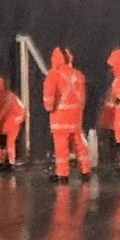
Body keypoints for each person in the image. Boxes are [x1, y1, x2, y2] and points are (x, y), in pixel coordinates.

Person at [43, 47, 90, 182]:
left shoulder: (53, 75)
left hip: (60, 117)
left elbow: (48, 99)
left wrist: (49, 108)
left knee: (61, 147)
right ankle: (85, 170)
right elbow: (82, 97)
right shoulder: (78, 75)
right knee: (79, 144)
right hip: (75, 117)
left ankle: (62, 174)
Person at [0, 87, 26, 169]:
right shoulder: (12, 96)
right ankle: (10, 162)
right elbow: (22, 110)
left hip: (8, 122)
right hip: (15, 121)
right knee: (10, 142)